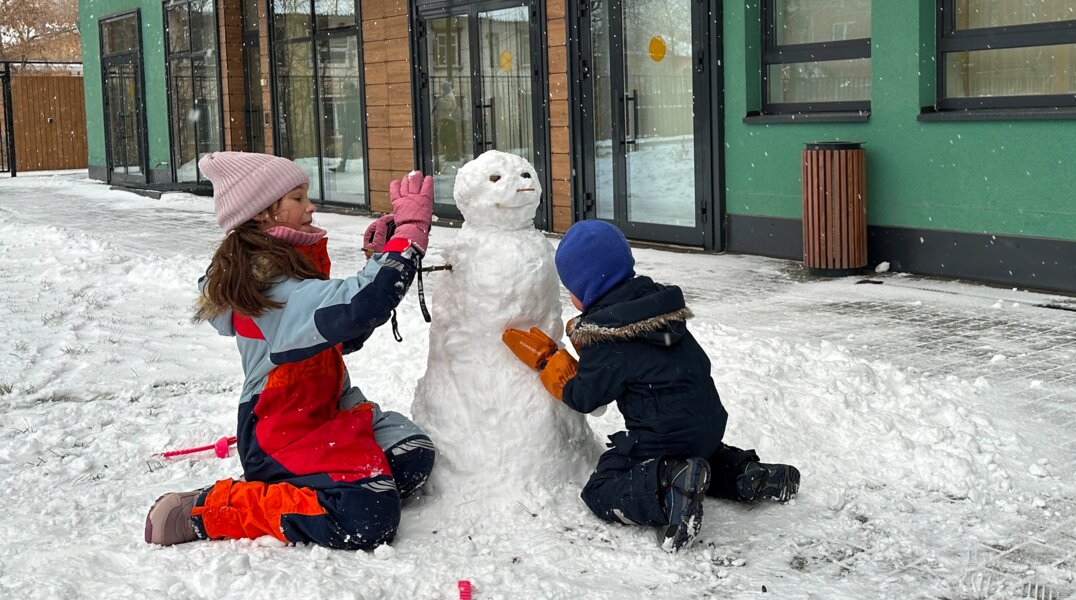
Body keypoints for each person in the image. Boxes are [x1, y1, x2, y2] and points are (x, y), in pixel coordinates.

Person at [145, 152, 436, 550]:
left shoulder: (287, 268)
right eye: (298, 198)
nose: (310, 206)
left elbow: (340, 335)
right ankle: (207, 509)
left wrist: (378, 260)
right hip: (280, 430)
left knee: (411, 456)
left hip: (327, 413)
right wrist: (408, 239)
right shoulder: (264, 283)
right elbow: (358, 307)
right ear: (263, 213)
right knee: (369, 516)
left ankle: (316, 484)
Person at [502, 220, 800, 552]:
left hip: (663, 439)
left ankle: (668, 488)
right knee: (702, 459)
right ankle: (746, 475)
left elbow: (585, 396)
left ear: (582, 289)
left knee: (602, 487)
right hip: (707, 427)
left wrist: (551, 363)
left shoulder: (607, 337)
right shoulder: (659, 307)